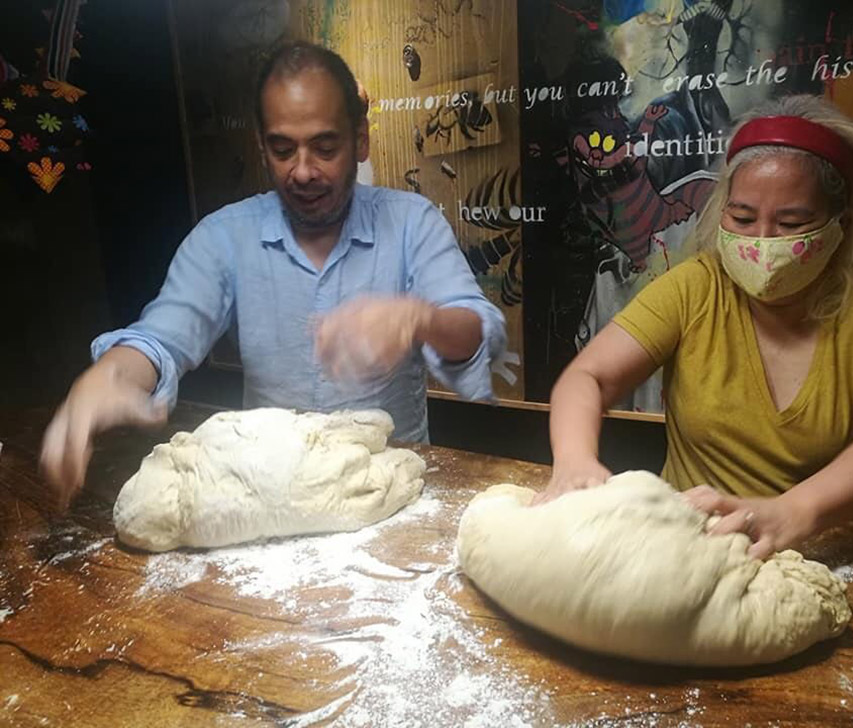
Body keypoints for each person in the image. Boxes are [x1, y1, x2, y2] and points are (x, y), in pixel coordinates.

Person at [41, 42, 506, 508]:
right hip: (266, 493)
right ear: (262, 147)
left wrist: (418, 318)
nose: (302, 172)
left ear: (360, 139)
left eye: (325, 147)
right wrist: (110, 376)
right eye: (283, 150)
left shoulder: (412, 223)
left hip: (386, 491)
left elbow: (478, 334)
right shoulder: (224, 237)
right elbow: (163, 337)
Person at [537, 95, 853, 560]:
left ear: (843, 223)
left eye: (792, 222)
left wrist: (794, 511)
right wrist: (574, 462)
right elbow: (586, 377)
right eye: (742, 218)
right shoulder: (699, 284)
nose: (761, 242)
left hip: (828, 554)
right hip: (689, 548)